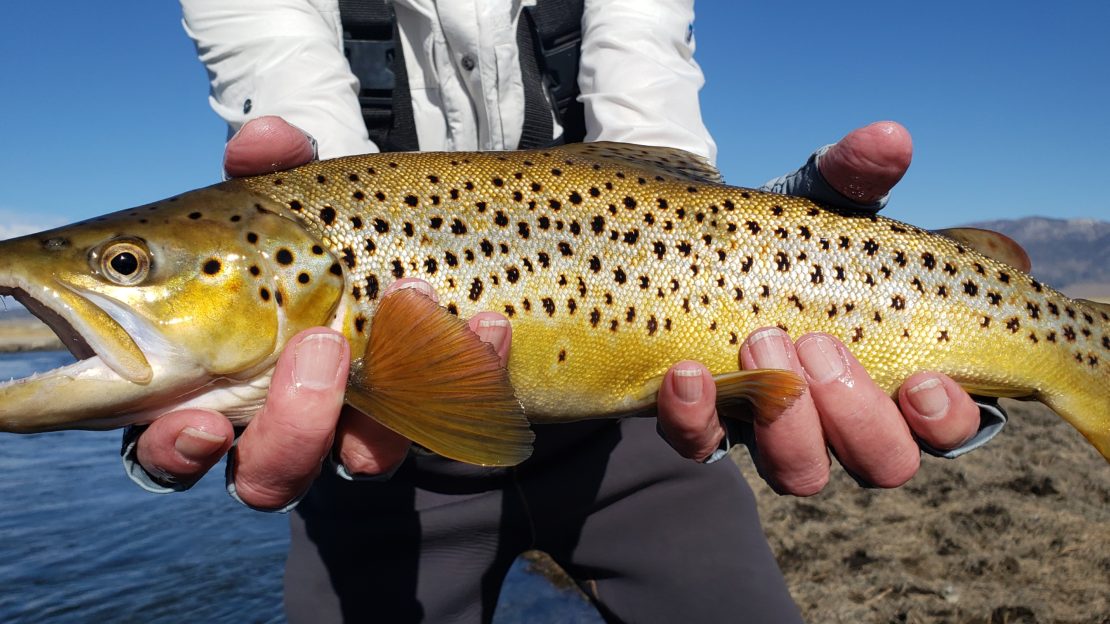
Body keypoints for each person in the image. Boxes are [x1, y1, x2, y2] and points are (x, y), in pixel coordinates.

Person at [124, 1, 1002, 621]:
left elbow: (657, 136)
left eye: (125, 266)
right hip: (373, 452)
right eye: (123, 266)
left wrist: (795, 244)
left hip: (644, 433)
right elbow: (315, 160)